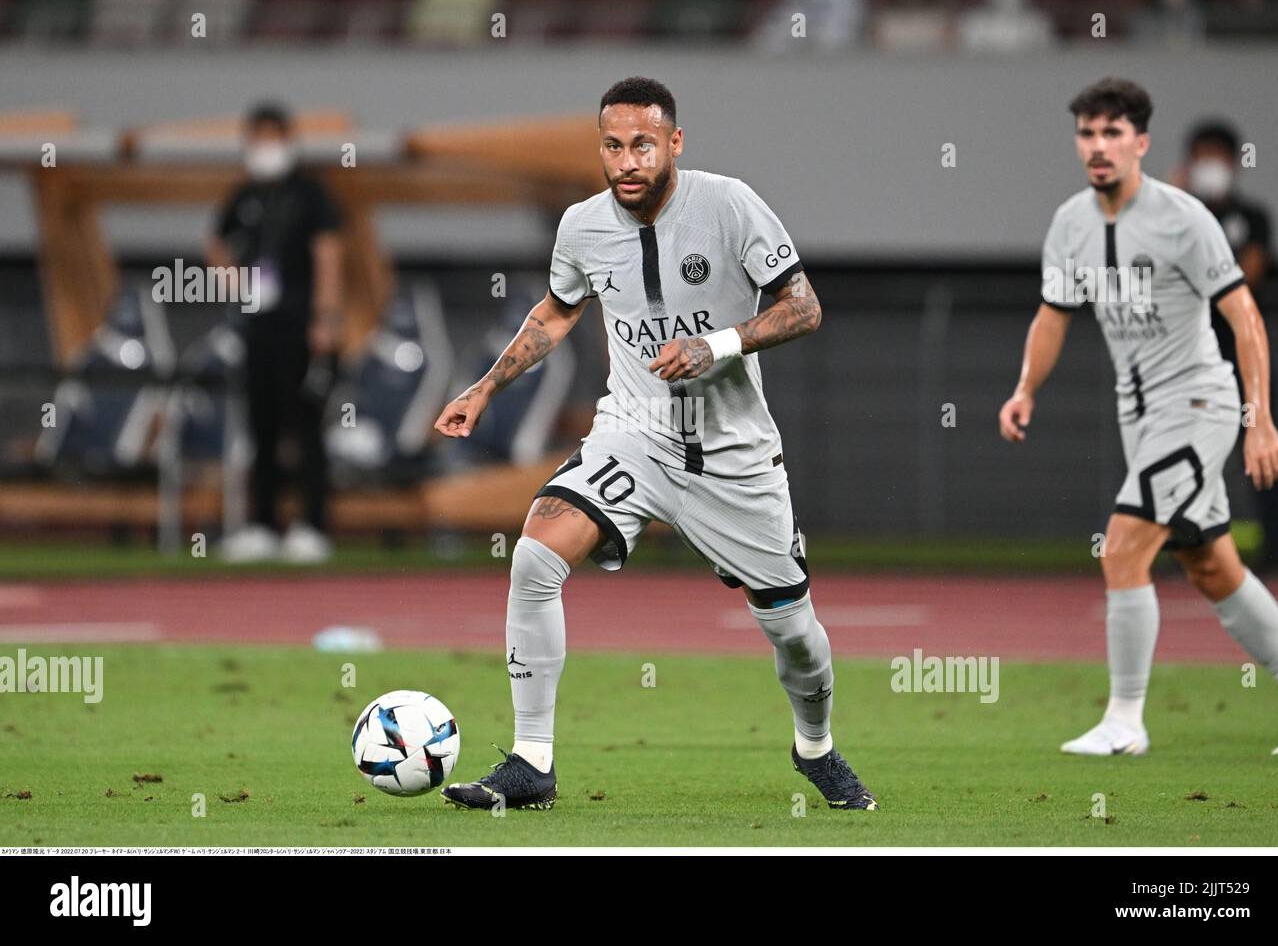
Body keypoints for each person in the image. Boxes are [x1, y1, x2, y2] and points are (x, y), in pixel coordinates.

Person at [434, 76, 878, 811]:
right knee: (537, 555)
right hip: (634, 436)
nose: (627, 161)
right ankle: (533, 760)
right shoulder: (581, 225)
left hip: (734, 457)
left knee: (796, 634)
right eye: (612, 146)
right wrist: (485, 387)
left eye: (643, 144)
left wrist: (718, 344)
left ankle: (815, 746)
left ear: (674, 142)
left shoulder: (729, 205)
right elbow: (556, 311)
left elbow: (804, 307)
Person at [998, 77, 1278, 758]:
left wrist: (1258, 419)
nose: (1097, 146)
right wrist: (1025, 390)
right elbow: (1053, 315)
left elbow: (1244, 316)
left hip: (1199, 405)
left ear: (1141, 143)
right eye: (1087, 133)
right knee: (1211, 566)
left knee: (1123, 545)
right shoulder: (1070, 222)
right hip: (1139, 417)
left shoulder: (1184, 218)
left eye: (1112, 133)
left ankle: (1125, 720)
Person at [209, 102, 344, 564]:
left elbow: (328, 253)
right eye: (257, 138)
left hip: (301, 325)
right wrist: (234, 282)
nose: (264, 148)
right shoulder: (245, 194)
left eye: (272, 138)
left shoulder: (310, 194)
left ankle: (313, 525)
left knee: (305, 425)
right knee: (261, 425)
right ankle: (261, 524)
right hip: (258, 325)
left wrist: (325, 317)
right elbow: (216, 242)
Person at [1178, 119, 1278, 573]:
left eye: (1218, 156)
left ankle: (1276, 548)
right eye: (1201, 156)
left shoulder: (1253, 218)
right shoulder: (1180, 217)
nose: (1210, 165)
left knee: (1260, 441)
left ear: (1235, 162)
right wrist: (1171, 203)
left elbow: (1250, 276)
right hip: (1190, 356)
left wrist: (1208, 281)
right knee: (1185, 450)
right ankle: (1186, 544)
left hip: (1243, 355)